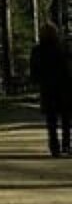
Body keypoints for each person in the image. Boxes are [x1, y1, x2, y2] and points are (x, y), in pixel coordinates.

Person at [30, 22, 72, 157]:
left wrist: (38, 81)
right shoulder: (62, 48)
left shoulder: (37, 50)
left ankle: (54, 147)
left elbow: (34, 71)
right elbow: (68, 68)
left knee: (51, 120)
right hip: (64, 87)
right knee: (66, 118)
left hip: (47, 88)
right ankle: (67, 144)